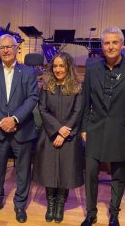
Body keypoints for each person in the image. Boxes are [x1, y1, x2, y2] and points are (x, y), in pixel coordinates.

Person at [80, 27, 125, 226]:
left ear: (122, 44)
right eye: (106, 43)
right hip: (95, 130)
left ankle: (114, 213)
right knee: (91, 174)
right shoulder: (92, 70)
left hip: (122, 132)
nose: (110, 47)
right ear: (102, 46)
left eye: (114, 42)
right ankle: (90, 213)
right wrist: (84, 128)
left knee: (118, 177)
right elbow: (85, 103)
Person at [0, 34, 39, 223]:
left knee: (23, 170)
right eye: (2, 47)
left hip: (21, 129)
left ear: (17, 49)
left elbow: (32, 98)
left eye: (9, 47)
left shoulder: (28, 72)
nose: (6, 50)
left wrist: (14, 119)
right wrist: (1, 120)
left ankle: (20, 204)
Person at [33, 52, 84, 223]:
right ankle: (51, 204)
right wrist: (57, 130)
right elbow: (43, 110)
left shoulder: (77, 87)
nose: (58, 69)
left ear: (68, 66)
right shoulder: (47, 86)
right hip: (49, 135)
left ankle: (60, 205)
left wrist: (64, 132)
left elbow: (77, 112)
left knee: (65, 171)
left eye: (62, 66)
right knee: (49, 171)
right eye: (55, 66)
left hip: (69, 137)